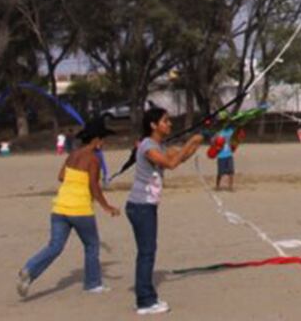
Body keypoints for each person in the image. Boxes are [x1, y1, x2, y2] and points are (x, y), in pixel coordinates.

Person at [17, 118, 119, 298]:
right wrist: (107, 206)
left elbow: (61, 176)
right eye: (102, 139)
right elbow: (93, 187)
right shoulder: (93, 159)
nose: (103, 143)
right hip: (80, 209)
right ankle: (93, 284)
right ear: (95, 139)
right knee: (91, 245)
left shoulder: (73, 154)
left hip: (60, 207)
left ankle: (29, 269)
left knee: (55, 246)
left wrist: (76, 180)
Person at [126, 106, 204, 315]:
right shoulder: (148, 146)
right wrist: (189, 142)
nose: (169, 124)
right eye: (165, 121)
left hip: (146, 206)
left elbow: (177, 158)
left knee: (147, 251)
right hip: (140, 206)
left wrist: (194, 145)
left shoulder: (158, 145)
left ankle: (145, 297)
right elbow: (169, 164)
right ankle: (145, 301)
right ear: (153, 125)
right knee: (147, 253)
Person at [215, 125, 235, 192]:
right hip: (221, 155)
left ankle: (230, 187)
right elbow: (213, 141)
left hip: (229, 154)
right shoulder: (220, 132)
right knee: (220, 173)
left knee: (231, 171)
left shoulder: (231, 131)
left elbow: (237, 137)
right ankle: (217, 186)